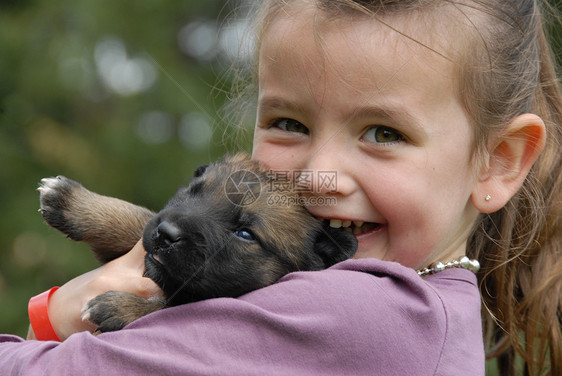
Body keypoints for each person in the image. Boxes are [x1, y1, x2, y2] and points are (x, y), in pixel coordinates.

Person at [1, 0, 561, 374]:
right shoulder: (428, 312)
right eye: (289, 124)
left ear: (497, 163)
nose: (321, 177)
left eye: (383, 133)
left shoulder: (366, 316)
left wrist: (49, 320)